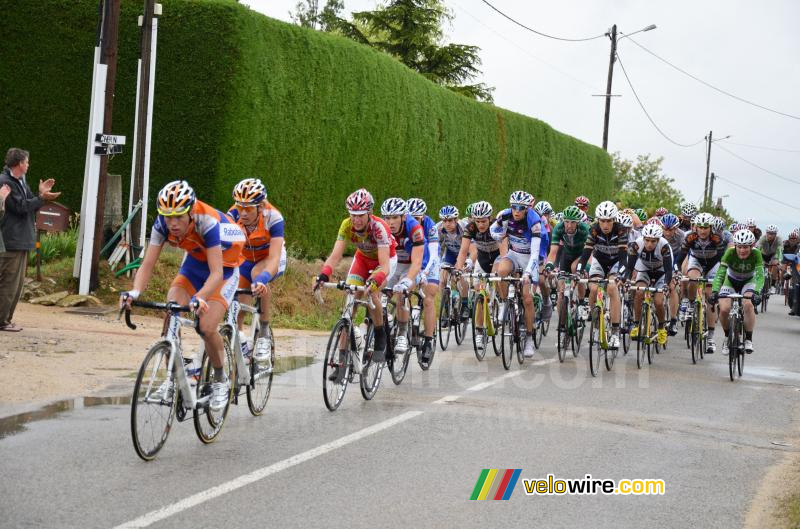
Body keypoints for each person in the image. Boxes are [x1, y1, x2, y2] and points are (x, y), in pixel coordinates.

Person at [121, 180, 245, 411]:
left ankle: (220, 380)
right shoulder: (161, 224)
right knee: (172, 309)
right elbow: (147, 264)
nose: (173, 223)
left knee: (206, 327)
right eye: (168, 217)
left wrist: (200, 297)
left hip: (225, 268)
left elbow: (217, 273)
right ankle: (173, 378)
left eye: (179, 216)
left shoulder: (206, 221)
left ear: (190, 211)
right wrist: (134, 292)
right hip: (195, 265)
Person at [315, 189, 396, 380]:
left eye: (360, 216)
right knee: (349, 302)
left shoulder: (379, 228)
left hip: (384, 261)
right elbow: (336, 255)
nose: (356, 220)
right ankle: (342, 363)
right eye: (353, 215)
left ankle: (380, 336)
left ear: (369, 212)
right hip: (362, 260)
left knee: (373, 293)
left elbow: (384, 264)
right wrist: (324, 275)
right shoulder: (346, 225)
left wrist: (376, 279)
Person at [0, 148, 60, 332]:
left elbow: (29, 206)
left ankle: (6, 319)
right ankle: (2, 321)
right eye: (26, 162)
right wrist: (41, 198)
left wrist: (40, 195)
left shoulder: (20, 182)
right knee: (9, 283)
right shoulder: (5, 182)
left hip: (21, 239)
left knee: (16, 285)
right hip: (12, 240)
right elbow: (20, 207)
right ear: (19, 164)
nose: (28, 164)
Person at [227, 178, 286, 364]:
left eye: (249, 208)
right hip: (245, 259)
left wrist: (263, 278)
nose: (243, 213)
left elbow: (275, 257)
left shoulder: (273, 217)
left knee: (257, 277)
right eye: (240, 206)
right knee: (237, 310)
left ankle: (264, 333)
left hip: (269, 258)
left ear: (260, 207)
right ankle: (242, 348)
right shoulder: (231, 216)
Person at [491, 190, 545, 358]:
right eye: (514, 207)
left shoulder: (534, 222)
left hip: (530, 257)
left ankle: (529, 338)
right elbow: (494, 229)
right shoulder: (505, 215)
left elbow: (535, 253)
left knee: (527, 299)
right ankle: (504, 304)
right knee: (501, 272)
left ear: (527, 208)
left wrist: (528, 272)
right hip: (514, 253)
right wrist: (497, 235)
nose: (517, 211)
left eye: (521, 208)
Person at [577, 200, 629, 349]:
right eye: (602, 221)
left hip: (615, 263)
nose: (605, 225)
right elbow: (586, 253)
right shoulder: (594, 230)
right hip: (599, 261)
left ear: (614, 220)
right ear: (598, 220)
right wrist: (580, 269)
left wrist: (620, 275)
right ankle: (595, 321)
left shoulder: (621, 230)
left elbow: (624, 259)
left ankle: (614, 331)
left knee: (612, 289)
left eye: (608, 221)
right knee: (593, 288)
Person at [712, 229, 764, 354]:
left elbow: (760, 276)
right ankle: (727, 337)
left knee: (748, 305)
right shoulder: (729, 252)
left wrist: (756, 293)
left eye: (746, 247)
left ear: (752, 246)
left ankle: (749, 339)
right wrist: (715, 291)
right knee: (724, 309)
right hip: (730, 281)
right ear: (735, 246)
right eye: (739, 247)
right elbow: (720, 273)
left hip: (748, 281)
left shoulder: (756, 254)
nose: (742, 250)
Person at [624, 223, 673, 346]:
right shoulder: (636, 244)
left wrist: (667, 285)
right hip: (644, 270)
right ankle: (636, 324)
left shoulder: (664, 246)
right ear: (643, 238)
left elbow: (668, 270)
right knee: (639, 293)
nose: (649, 244)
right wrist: (627, 280)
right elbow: (629, 267)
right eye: (647, 240)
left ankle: (661, 328)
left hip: (661, 273)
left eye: (653, 241)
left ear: (658, 240)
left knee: (658, 302)